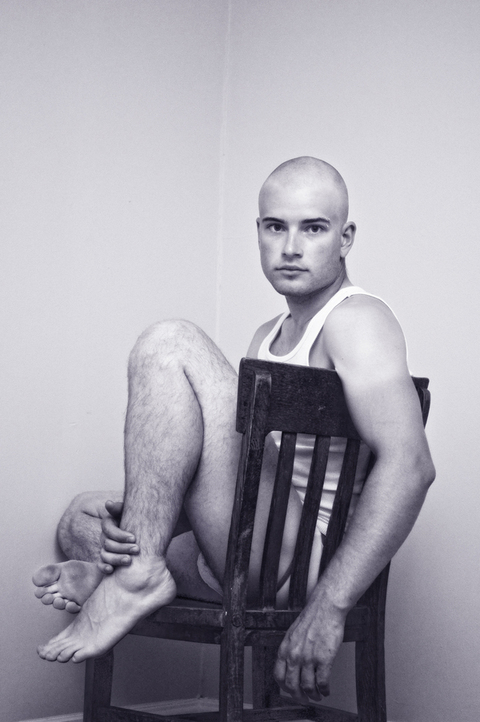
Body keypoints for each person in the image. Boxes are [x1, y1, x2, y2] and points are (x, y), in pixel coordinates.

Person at [33, 157, 435, 704]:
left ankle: (135, 577)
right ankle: (130, 574)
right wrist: (153, 507)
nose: (290, 247)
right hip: (246, 551)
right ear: (259, 232)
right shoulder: (266, 335)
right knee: (81, 517)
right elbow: (239, 478)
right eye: (276, 226)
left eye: (313, 228)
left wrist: (330, 605)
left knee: (171, 342)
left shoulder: (358, 320)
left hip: (305, 563)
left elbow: (411, 466)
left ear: (345, 238)